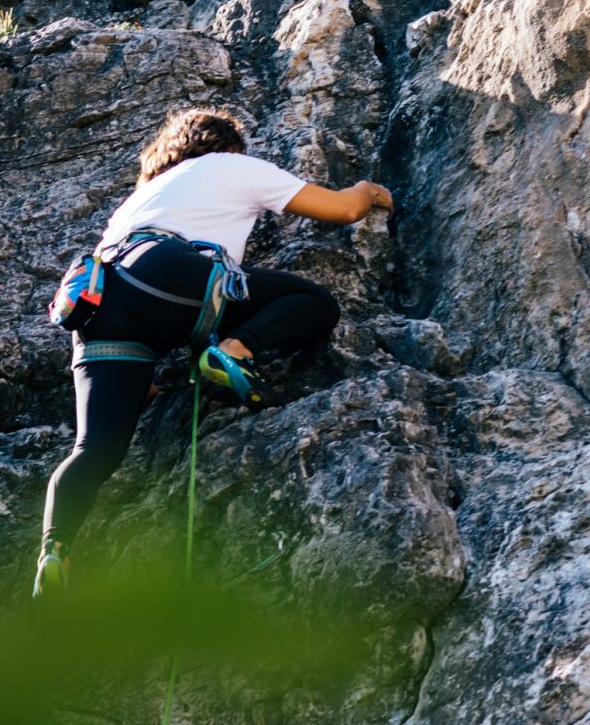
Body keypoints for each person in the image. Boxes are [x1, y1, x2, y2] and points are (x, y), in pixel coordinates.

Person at [34, 106, 392, 595]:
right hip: (165, 272)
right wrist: (370, 191)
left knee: (94, 449)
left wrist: (140, 382)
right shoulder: (229, 165)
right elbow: (342, 210)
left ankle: (55, 550)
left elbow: (139, 302)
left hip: (98, 302)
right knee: (313, 302)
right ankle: (234, 350)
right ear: (227, 145)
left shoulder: (139, 199)